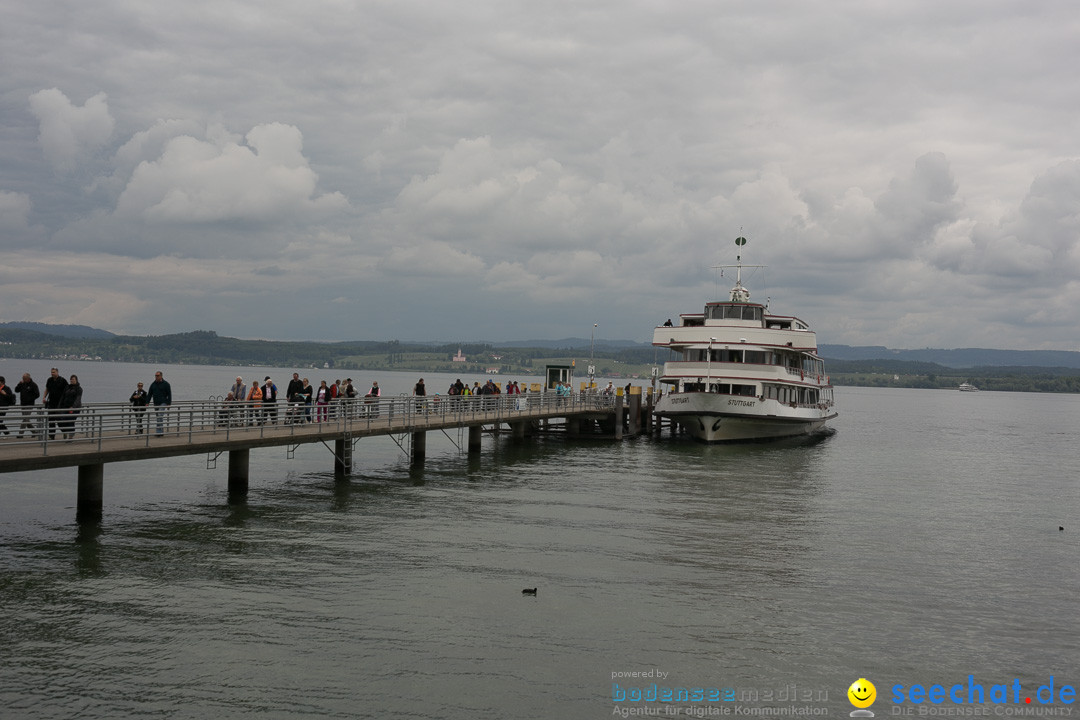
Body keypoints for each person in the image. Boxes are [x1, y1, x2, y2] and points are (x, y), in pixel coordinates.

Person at [43, 368, 67, 440]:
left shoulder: (62, 380)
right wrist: (44, 397)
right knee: (51, 420)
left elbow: (67, 391)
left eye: (53, 372)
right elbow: (47, 389)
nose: (52, 373)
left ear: (57, 372)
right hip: (51, 403)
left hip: (59, 404)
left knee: (59, 420)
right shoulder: (49, 380)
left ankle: (64, 431)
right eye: (51, 372)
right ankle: (51, 435)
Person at [147, 371, 172, 436]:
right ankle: (161, 432)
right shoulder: (153, 384)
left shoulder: (166, 384)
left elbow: (169, 394)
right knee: (158, 417)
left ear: (161, 376)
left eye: (157, 375)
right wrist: (147, 402)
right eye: (155, 375)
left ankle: (158, 432)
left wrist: (169, 403)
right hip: (156, 402)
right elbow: (149, 394)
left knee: (159, 415)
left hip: (163, 402)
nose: (156, 377)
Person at [14, 373, 39, 438]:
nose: (23, 380)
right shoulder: (22, 384)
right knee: (26, 420)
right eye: (22, 378)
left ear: (28, 378)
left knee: (25, 419)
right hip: (23, 404)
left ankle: (20, 434)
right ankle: (34, 432)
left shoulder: (33, 385)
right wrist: (19, 384)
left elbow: (37, 394)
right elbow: (16, 390)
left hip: (29, 404)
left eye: (24, 379)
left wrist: (30, 398)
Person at [58, 375, 83, 440]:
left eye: (73, 379)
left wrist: (73, 407)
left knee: (71, 421)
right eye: (71, 379)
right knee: (61, 419)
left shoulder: (79, 389)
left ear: (76, 380)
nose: (72, 380)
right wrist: (59, 406)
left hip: (75, 408)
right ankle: (65, 431)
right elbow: (62, 397)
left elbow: (78, 399)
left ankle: (70, 437)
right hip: (65, 407)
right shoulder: (67, 387)